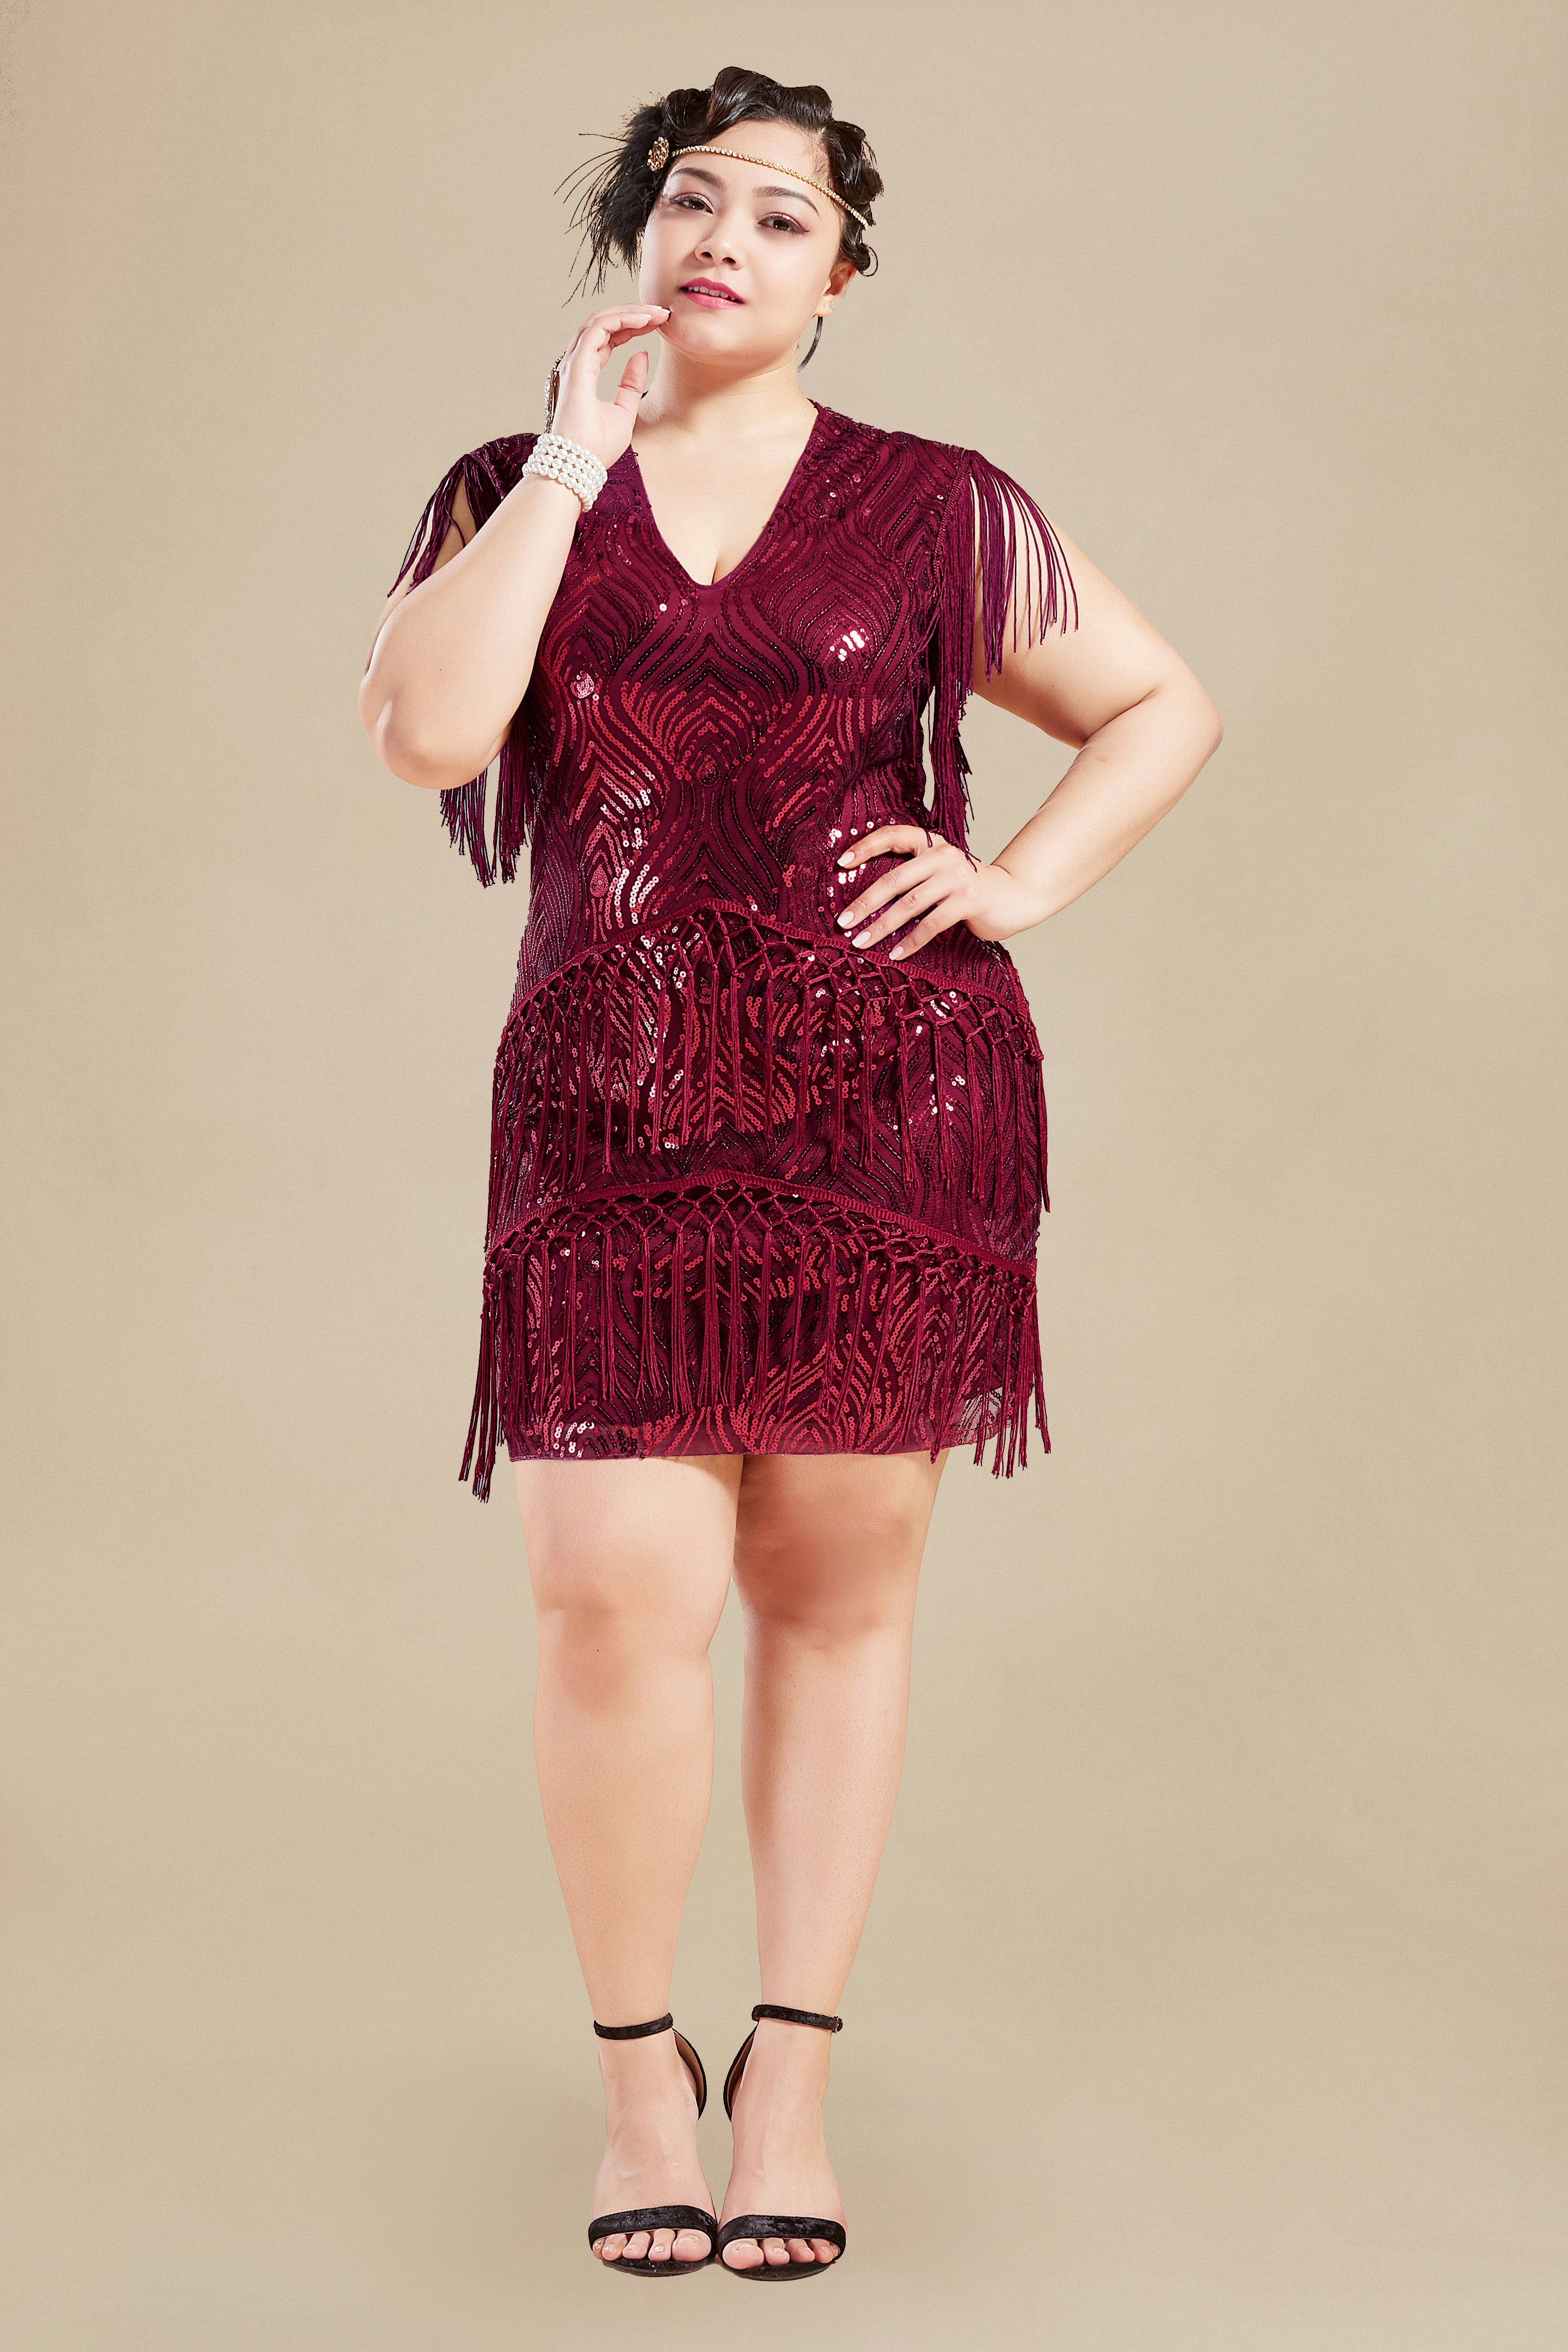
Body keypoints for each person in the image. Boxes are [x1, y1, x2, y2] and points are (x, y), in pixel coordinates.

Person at [358, 65, 1222, 2283]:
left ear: (840, 274)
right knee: (610, 1599)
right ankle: (640, 2073)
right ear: (636, 239)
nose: (721, 237)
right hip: (606, 1118)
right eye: (688, 199)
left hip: (887, 1111)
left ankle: (792, 2082)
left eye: (776, 213)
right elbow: (430, 730)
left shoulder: (933, 505)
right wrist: (569, 459)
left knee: (835, 1597)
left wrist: (1013, 883)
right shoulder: (512, 489)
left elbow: (1158, 706)